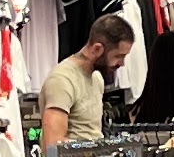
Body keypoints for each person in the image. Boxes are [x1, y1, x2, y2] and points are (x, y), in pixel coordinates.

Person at [38, 9, 135, 149]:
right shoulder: (62, 80)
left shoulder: (97, 78)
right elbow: (53, 145)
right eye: (118, 56)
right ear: (97, 49)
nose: (122, 63)